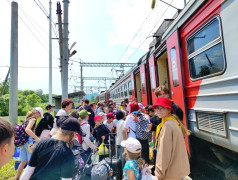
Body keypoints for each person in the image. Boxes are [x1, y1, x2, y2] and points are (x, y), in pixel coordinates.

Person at [152, 97, 191, 180]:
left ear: (169, 110)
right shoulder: (173, 122)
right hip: (177, 170)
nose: (159, 110)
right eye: (157, 108)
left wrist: (159, 173)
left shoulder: (166, 126)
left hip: (169, 173)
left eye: (162, 108)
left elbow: (164, 152)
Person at [16, 107, 43, 180]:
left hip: (23, 142)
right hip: (29, 143)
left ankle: (17, 178)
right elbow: (27, 129)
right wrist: (36, 138)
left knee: (23, 161)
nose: (39, 117)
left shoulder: (27, 119)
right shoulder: (33, 119)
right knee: (32, 162)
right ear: (37, 113)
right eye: (40, 115)